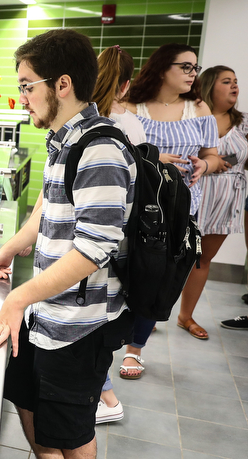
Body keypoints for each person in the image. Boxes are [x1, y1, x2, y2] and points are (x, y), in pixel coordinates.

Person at [0, 29, 135, 458]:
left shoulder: (99, 147)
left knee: (70, 434)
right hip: (46, 312)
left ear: (62, 85)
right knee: (30, 406)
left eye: (27, 86)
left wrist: (17, 298)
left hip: (77, 325)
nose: (23, 97)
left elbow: (93, 249)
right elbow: (47, 209)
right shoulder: (63, 139)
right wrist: (6, 252)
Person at [117, 44, 222, 379]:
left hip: (180, 207)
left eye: (195, 68)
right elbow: (117, 148)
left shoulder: (199, 107)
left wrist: (204, 164)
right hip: (138, 203)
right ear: (163, 68)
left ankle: (135, 351)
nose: (193, 74)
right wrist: (153, 158)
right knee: (129, 269)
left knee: (160, 276)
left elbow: (215, 157)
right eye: (186, 67)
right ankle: (113, 334)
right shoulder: (132, 104)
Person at [89, 44, 145, 424]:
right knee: (97, 320)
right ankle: (105, 395)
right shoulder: (131, 124)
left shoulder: (85, 120)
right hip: (118, 242)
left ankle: (105, 398)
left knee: (88, 324)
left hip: (89, 241)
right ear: (126, 85)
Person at [190, 66, 248, 330]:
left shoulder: (243, 122)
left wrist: (223, 161)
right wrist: (210, 162)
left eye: (236, 81)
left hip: (225, 201)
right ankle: (151, 315)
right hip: (194, 194)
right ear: (210, 86)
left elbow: (244, 159)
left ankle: (185, 317)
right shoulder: (192, 115)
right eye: (227, 81)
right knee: (172, 258)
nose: (234, 86)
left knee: (202, 259)